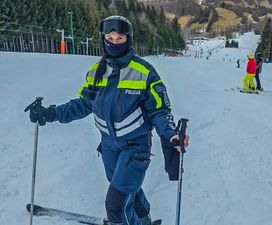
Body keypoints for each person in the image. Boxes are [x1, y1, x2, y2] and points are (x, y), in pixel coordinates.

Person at [26, 15, 189, 225]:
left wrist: (170, 134)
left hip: (135, 147)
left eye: (119, 38)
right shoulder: (96, 72)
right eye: (109, 37)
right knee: (129, 189)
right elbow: (83, 103)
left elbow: (160, 111)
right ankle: (143, 221)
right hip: (109, 146)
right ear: (103, 38)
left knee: (115, 205)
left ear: (128, 39)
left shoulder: (144, 72)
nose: (114, 42)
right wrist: (50, 113)